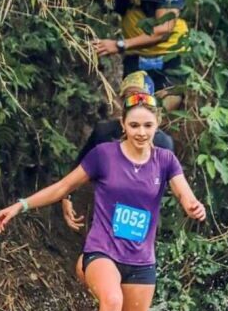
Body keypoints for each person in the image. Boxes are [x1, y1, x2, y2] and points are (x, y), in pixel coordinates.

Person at [0, 93, 206, 311]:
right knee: (112, 300)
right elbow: (62, 187)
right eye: (134, 125)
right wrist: (21, 205)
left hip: (141, 261)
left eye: (147, 125)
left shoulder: (165, 160)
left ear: (157, 125)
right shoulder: (104, 155)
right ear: (123, 124)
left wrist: (193, 207)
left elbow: (184, 194)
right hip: (101, 251)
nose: (140, 132)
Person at [61, 71, 174, 232]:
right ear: (122, 103)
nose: (136, 104)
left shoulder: (163, 143)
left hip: (141, 216)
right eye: (130, 98)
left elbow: (170, 184)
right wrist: (67, 196)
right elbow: (80, 166)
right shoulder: (104, 132)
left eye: (141, 98)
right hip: (106, 209)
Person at [93, 0, 188, 112]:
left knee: (160, 113)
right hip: (135, 56)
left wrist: (120, 45)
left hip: (168, 57)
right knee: (134, 109)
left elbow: (163, 30)